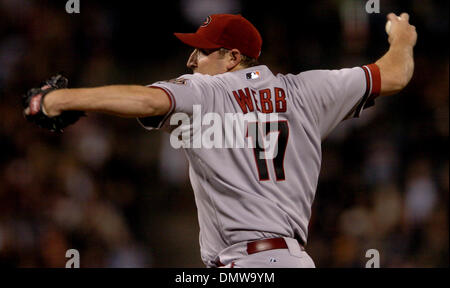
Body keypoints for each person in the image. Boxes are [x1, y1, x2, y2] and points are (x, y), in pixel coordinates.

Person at [23, 13, 417, 267]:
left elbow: (145, 99)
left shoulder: (206, 90)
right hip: (292, 260)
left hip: (245, 265)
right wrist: (402, 37)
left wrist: (59, 99)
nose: (192, 61)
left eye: (201, 51)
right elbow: (395, 74)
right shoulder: (309, 90)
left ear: (232, 58)